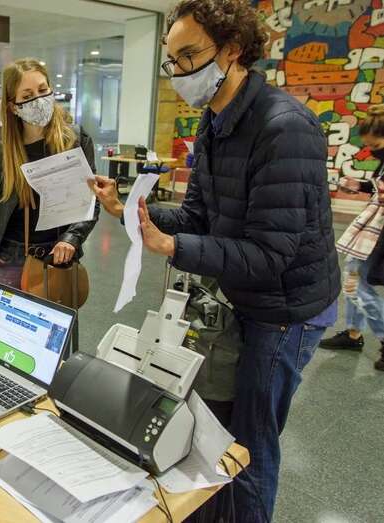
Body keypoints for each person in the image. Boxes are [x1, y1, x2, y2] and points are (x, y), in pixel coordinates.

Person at [89, 1, 339, 521]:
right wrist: (132, 210)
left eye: (190, 56)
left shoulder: (284, 126)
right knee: (215, 427)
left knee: (249, 441)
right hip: (239, 293)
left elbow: (272, 254)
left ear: (231, 50)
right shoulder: (214, 119)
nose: (179, 72)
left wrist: (175, 247)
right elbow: (200, 212)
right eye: (172, 59)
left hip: (284, 309)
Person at [0, 58, 99, 300]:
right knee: (6, 335)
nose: (39, 100)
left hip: (58, 259)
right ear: (13, 106)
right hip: (9, 258)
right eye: (27, 95)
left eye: (43, 90)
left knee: (53, 336)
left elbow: (91, 200)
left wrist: (72, 238)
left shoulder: (75, 139)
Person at [320, 105, 384, 372]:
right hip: (373, 227)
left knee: (356, 285)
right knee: (354, 277)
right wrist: (360, 185)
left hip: (379, 232)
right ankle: (354, 334)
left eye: (376, 144)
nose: (372, 149)